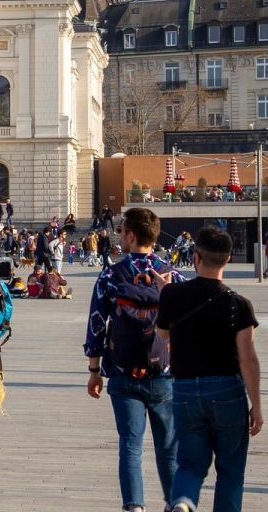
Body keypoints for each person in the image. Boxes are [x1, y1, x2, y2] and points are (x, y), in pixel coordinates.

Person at [155, 227, 262, 512]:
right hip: (227, 390)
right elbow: (247, 358)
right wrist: (257, 406)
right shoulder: (239, 304)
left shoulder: (173, 294)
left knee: (189, 462)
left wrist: (164, 294)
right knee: (230, 469)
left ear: (195, 257)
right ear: (227, 260)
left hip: (185, 389)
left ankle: (183, 501)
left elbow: (163, 335)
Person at [84, 208, 182, 512]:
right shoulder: (173, 275)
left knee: (130, 445)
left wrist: (94, 370)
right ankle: (175, 502)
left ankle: (134, 506)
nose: (119, 235)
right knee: (168, 447)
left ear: (131, 235)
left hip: (124, 372)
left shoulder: (111, 274)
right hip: (164, 373)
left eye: (122, 230)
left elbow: (97, 322)